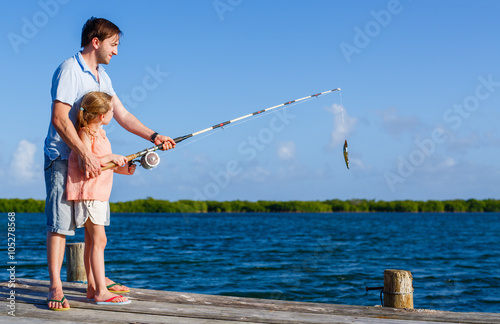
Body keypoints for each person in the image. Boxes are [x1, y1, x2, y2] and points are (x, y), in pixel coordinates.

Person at [44, 17, 175, 310]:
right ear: (96, 42)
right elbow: (59, 118)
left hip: (90, 162)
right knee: (59, 225)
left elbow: (123, 115)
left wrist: (154, 136)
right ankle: (55, 287)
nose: (116, 51)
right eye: (113, 45)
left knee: (94, 230)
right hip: (62, 158)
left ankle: (95, 284)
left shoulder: (103, 77)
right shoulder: (69, 70)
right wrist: (85, 153)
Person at [67, 91, 134, 305]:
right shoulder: (85, 133)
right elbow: (86, 162)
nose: (114, 113)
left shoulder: (102, 135)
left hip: (100, 195)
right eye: (112, 111)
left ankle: (92, 287)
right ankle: (102, 292)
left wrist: (125, 169)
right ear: (101, 115)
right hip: (89, 194)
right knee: (99, 240)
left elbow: (106, 166)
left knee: (91, 241)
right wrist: (110, 157)